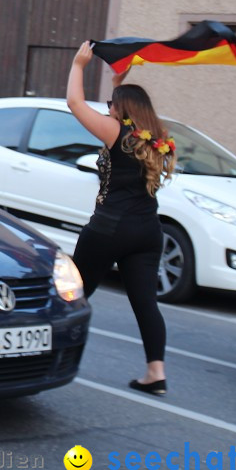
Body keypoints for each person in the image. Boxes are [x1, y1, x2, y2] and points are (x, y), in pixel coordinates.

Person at [66, 42, 176, 396]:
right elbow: (120, 109)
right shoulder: (157, 140)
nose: (107, 110)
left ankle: (51, 355)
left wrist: (79, 65)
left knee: (74, 295)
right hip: (147, 231)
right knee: (145, 303)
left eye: (111, 106)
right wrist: (118, 82)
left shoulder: (116, 133)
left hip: (108, 229)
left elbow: (75, 104)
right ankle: (155, 372)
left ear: (120, 111)